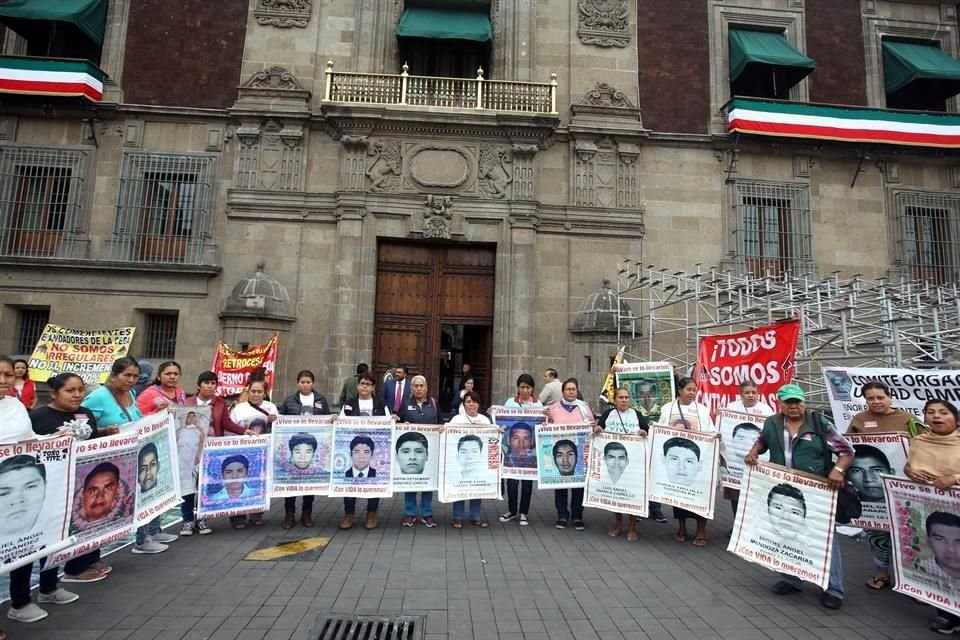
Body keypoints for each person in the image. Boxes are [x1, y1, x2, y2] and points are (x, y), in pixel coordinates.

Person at [745, 383, 853, 609]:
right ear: (780, 404)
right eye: (789, 402)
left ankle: (833, 589)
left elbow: (846, 451)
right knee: (785, 534)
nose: (794, 407)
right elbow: (763, 441)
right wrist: (754, 451)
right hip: (783, 487)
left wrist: (838, 470)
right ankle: (790, 579)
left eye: (798, 402)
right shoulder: (772, 422)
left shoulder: (818, 423)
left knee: (824, 538)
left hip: (815, 490)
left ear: (804, 402)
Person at [844, 381, 915, 591]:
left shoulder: (908, 419)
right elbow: (850, 447)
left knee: (908, 535)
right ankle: (882, 575)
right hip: (871, 493)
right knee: (877, 533)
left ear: (890, 397)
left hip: (903, 487)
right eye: (870, 398)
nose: (876, 402)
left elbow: (924, 444)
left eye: (880, 397)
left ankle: (911, 581)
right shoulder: (860, 419)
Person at [902, 399, 960, 633]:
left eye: (943, 413)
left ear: (955, 419)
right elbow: (910, 466)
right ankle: (946, 614)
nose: (936, 416)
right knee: (942, 564)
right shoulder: (919, 441)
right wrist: (909, 470)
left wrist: (955, 478)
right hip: (932, 513)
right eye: (930, 413)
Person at [182, 371, 252, 535]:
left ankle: (201, 519)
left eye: (213, 383)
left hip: (211, 451)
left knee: (204, 485)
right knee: (188, 486)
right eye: (207, 383)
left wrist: (244, 431)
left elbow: (226, 423)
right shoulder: (187, 402)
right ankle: (187, 521)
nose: (210, 386)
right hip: (191, 451)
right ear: (199, 385)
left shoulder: (220, 403)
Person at [133, 360, 185, 553]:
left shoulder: (179, 393)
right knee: (147, 490)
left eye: (175, 373)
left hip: (169, 445)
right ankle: (142, 538)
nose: (172, 377)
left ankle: (155, 530)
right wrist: (158, 412)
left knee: (160, 488)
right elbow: (138, 417)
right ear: (159, 375)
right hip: (151, 445)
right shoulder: (149, 394)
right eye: (168, 373)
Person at [598, 386, 664, 537]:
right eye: (621, 397)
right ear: (615, 400)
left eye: (626, 397)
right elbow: (600, 428)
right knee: (616, 493)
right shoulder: (609, 414)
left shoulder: (636, 414)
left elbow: (647, 431)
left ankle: (633, 527)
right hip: (614, 462)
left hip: (632, 462)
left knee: (632, 494)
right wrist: (597, 430)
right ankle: (618, 525)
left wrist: (643, 432)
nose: (624, 400)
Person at [659, 377, 717, 548]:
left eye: (694, 390)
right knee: (678, 492)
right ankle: (681, 528)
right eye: (689, 389)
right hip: (676, 459)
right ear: (680, 390)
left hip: (696, 460)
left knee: (700, 494)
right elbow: (661, 430)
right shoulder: (667, 409)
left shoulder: (703, 411)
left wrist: (715, 436)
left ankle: (701, 530)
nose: (692, 393)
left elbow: (710, 430)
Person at [277, 370, 330, 529]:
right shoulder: (289, 400)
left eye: (308, 382)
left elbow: (326, 417)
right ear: (297, 383)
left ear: (313, 383)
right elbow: (281, 418)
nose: (305, 385)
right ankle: (289, 515)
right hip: (295, 448)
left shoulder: (321, 400)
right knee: (290, 483)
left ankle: (307, 514)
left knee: (309, 483)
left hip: (311, 446)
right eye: (302, 382)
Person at [545, 378, 594, 530]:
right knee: (560, 485)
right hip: (560, 452)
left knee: (579, 486)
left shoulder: (584, 408)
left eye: (574, 389)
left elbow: (593, 426)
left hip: (578, 454)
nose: (571, 391)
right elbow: (547, 427)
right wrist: (545, 421)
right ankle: (562, 515)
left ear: (577, 391)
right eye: (568, 389)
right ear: (563, 392)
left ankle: (577, 515)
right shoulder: (553, 408)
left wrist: (593, 426)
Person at [229, 378, 277, 527]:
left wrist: (272, 421)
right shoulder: (239, 408)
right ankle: (238, 517)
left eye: (259, 392)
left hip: (261, 453)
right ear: (248, 392)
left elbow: (278, 429)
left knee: (257, 482)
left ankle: (256, 514)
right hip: (241, 451)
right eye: (253, 391)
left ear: (265, 393)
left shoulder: (271, 407)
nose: (256, 394)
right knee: (237, 482)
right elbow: (230, 428)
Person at [499, 374, 543, 527]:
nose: (525, 390)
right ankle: (512, 510)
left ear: (532, 389)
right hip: (513, 451)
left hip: (529, 452)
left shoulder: (539, 405)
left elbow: (542, 426)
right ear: (518, 387)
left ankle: (524, 512)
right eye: (522, 387)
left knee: (526, 483)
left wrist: (547, 417)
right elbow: (503, 421)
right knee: (511, 482)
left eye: (528, 387)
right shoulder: (510, 402)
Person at [397, 375, 440, 528]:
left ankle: (427, 514)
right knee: (411, 482)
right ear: (411, 388)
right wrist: (402, 423)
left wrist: (442, 428)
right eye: (416, 386)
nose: (419, 388)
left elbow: (440, 422)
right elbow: (398, 422)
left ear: (426, 388)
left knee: (427, 483)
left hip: (428, 452)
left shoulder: (434, 403)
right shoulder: (406, 403)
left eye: (422, 386)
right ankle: (410, 513)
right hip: (411, 452)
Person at [448, 390, 490, 529]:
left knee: (477, 488)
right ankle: (457, 518)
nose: (471, 404)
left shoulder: (485, 420)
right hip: (461, 462)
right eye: (468, 401)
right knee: (459, 488)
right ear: (464, 404)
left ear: (479, 403)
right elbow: (450, 438)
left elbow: (490, 439)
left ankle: (475, 517)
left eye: (474, 401)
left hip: (478, 463)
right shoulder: (456, 419)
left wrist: (498, 432)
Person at [340, 434, 381, 530]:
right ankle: (349, 515)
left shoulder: (377, 473)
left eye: (366, 452)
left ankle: (371, 514)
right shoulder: (346, 474)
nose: (361, 456)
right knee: (348, 487)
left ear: (372, 454)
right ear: (351, 454)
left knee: (375, 486)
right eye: (356, 452)